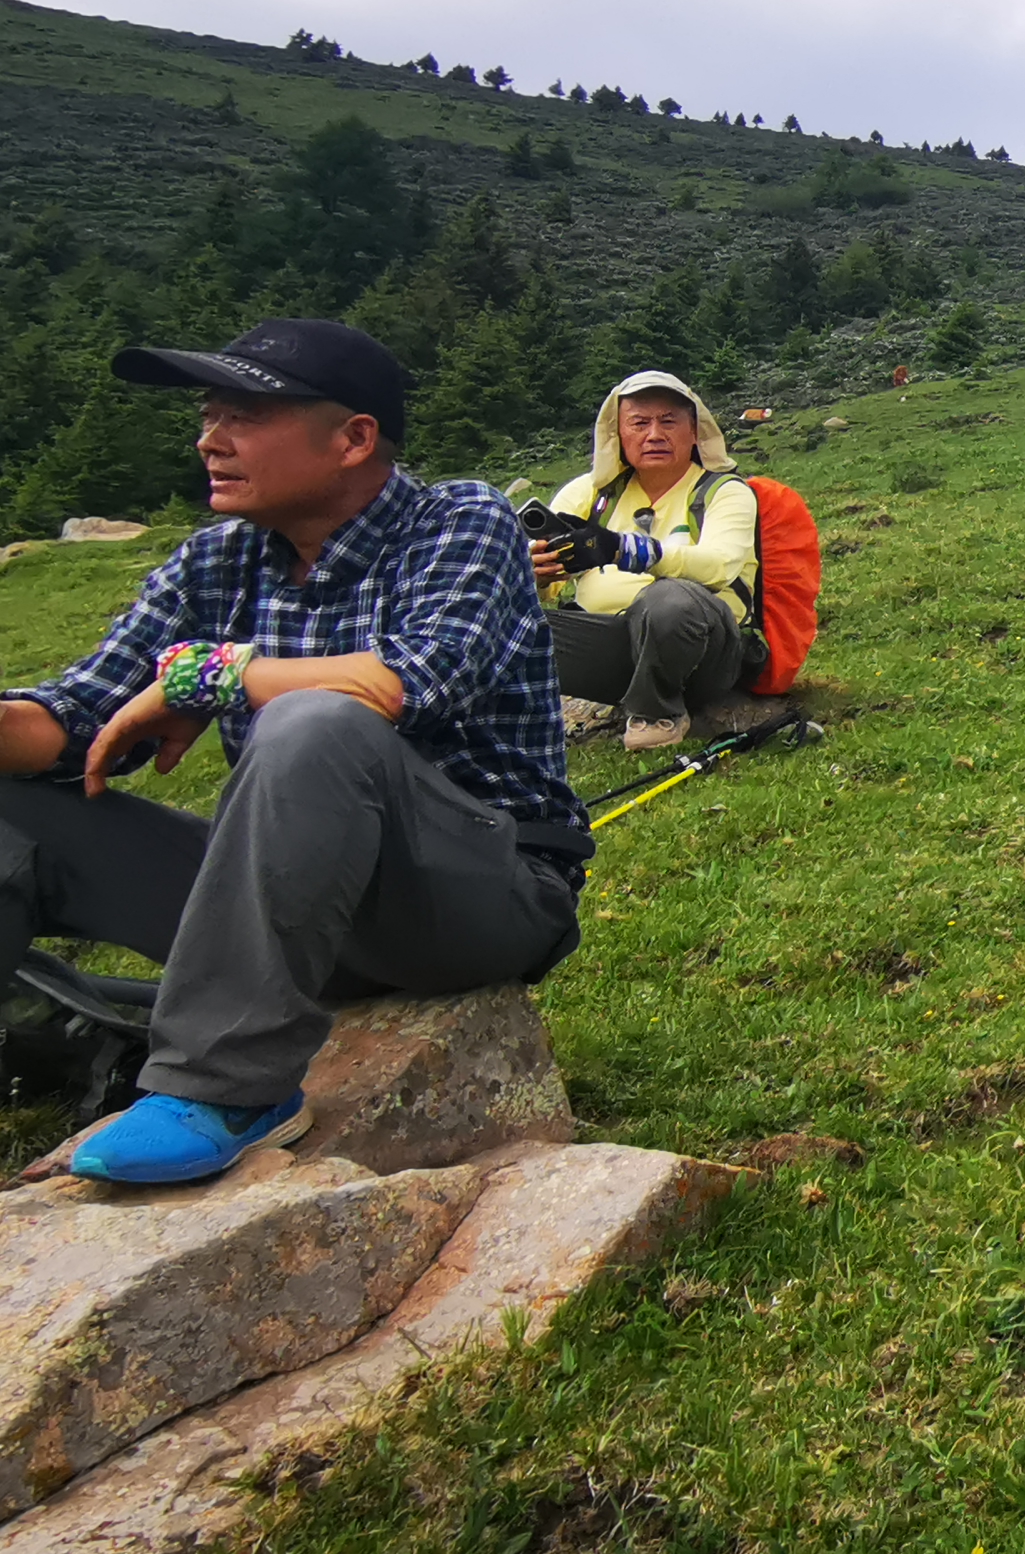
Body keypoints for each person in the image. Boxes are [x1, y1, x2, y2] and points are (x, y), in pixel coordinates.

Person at [0, 320, 587, 1183]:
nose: (210, 439)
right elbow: (82, 716)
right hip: (289, 898)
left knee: (316, 721)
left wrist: (211, 674)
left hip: (477, 897)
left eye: (243, 414)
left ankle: (228, 1088)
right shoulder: (217, 559)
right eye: (208, 414)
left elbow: (410, 682)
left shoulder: (460, 519)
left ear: (353, 439)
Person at [528, 370, 762, 749]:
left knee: (668, 599)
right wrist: (537, 573)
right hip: (608, 645)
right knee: (501, 619)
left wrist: (625, 550)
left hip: (703, 653)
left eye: (668, 422)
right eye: (639, 423)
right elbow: (544, 590)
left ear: (694, 431)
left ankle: (657, 713)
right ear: (618, 434)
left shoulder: (725, 491)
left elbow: (720, 566)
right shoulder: (592, 493)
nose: (654, 435)